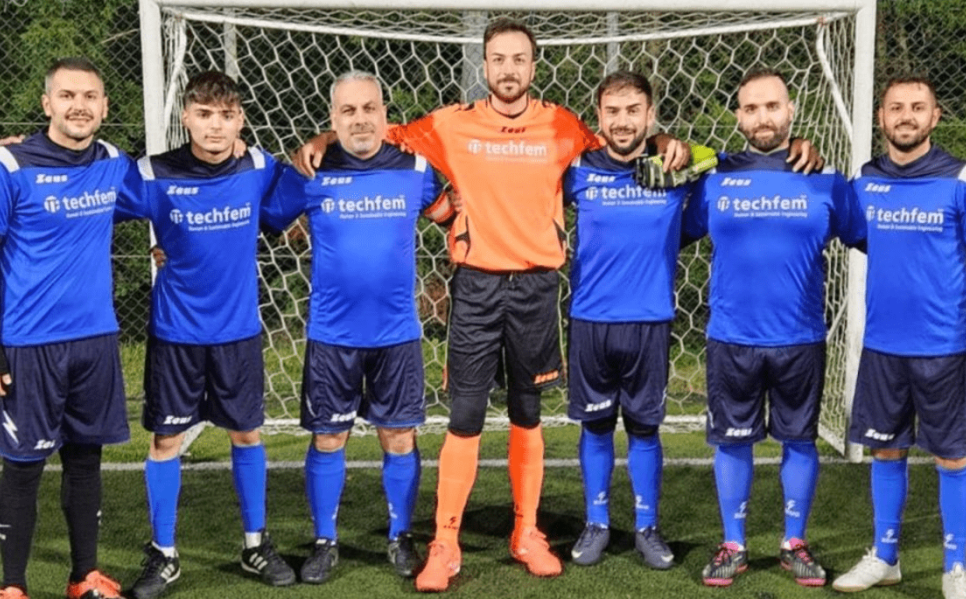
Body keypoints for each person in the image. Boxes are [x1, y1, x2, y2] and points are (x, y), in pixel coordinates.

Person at [294, 19, 819, 592]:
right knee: (465, 418)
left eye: (519, 59)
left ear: (533, 67)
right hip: (474, 286)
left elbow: (631, 146)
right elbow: (375, 132)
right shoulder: (450, 124)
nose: (509, 69)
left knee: (528, 413)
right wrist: (321, 140)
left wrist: (673, 142)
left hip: (538, 290)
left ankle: (527, 532)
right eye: (498, 59)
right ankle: (444, 543)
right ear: (485, 65)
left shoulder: (564, 126)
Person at [263, 71, 455, 585]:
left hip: (397, 335)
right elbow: (252, 219)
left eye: (369, 108)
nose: (359, 119)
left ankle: (400, 535)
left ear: (385, 115)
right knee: (329, 439)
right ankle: (325, 541)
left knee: (398, 436)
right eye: (347, 111)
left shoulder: (416, 169)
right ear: (333, 119)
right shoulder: (311, 170)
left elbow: (451, 217)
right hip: (332, 336)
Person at [831, 75, 966, 599]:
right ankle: (885, 556)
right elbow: (857, 236)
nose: (906, 116)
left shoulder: (962, 177)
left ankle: (955, 568)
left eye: (917, 107)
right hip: (883, 348)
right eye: (895, 107)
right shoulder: (865, 182)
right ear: (881, 118)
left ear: (935, 117)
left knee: (952, 456)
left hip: (946, 349)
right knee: (885, 453)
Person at [681, 68, 866, 589]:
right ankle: (733, 544)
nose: (763, 117)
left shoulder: (826, 179)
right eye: (751, 108)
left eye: (772, 106)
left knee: (799, 441)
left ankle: (793, 542)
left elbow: (870, 238)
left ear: (791, 112)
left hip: (801, 338)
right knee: (732, 442)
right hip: (732, 337)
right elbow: (670, 231)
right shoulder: (713, 178)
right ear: (738, 117)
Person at [0, 57, 140, 599]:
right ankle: (12, 586)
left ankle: (83, 576)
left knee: (86, 460)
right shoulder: (8, 164)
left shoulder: (114, 162)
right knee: (24, 466)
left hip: (95, 340)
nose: (79, 106)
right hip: (28, 346)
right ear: (47, 104)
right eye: (67, 96)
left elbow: (169, 196)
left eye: (90, 96)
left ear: (105, 107)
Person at [119, 71, 295, 599]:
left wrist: (326, 140)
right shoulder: (153, 173)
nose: (215, 125)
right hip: (175, 333)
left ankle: (255, 544)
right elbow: (90, 196)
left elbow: (311, 185)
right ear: (186, 118)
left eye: (225, 115)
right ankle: (165, 555)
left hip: (238, 333)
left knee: (247, 434)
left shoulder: (260, 167)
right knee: (165, 439)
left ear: (239, 119)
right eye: (203, 114)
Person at [560, 70, 695, 572]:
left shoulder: (677, 168)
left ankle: (646, 525)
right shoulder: (575, 170)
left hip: (650, 322)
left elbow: (725, 167)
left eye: (633, 110)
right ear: (598, 117)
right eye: (612, 111)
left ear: (650, 115)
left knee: (643, 427)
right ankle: (596, 522)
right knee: (596, 425)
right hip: (591, 319)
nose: (622, 121)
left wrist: (668, 143)